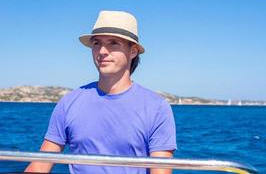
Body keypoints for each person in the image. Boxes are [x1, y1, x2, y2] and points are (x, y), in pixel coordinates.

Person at [25, 10, 177, 173]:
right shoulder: (69, 102)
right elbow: (41, 164)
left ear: (133, 51)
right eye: (97, 43)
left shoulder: (157, 107)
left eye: (113, 43)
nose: (102, 51)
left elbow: (160, 170)